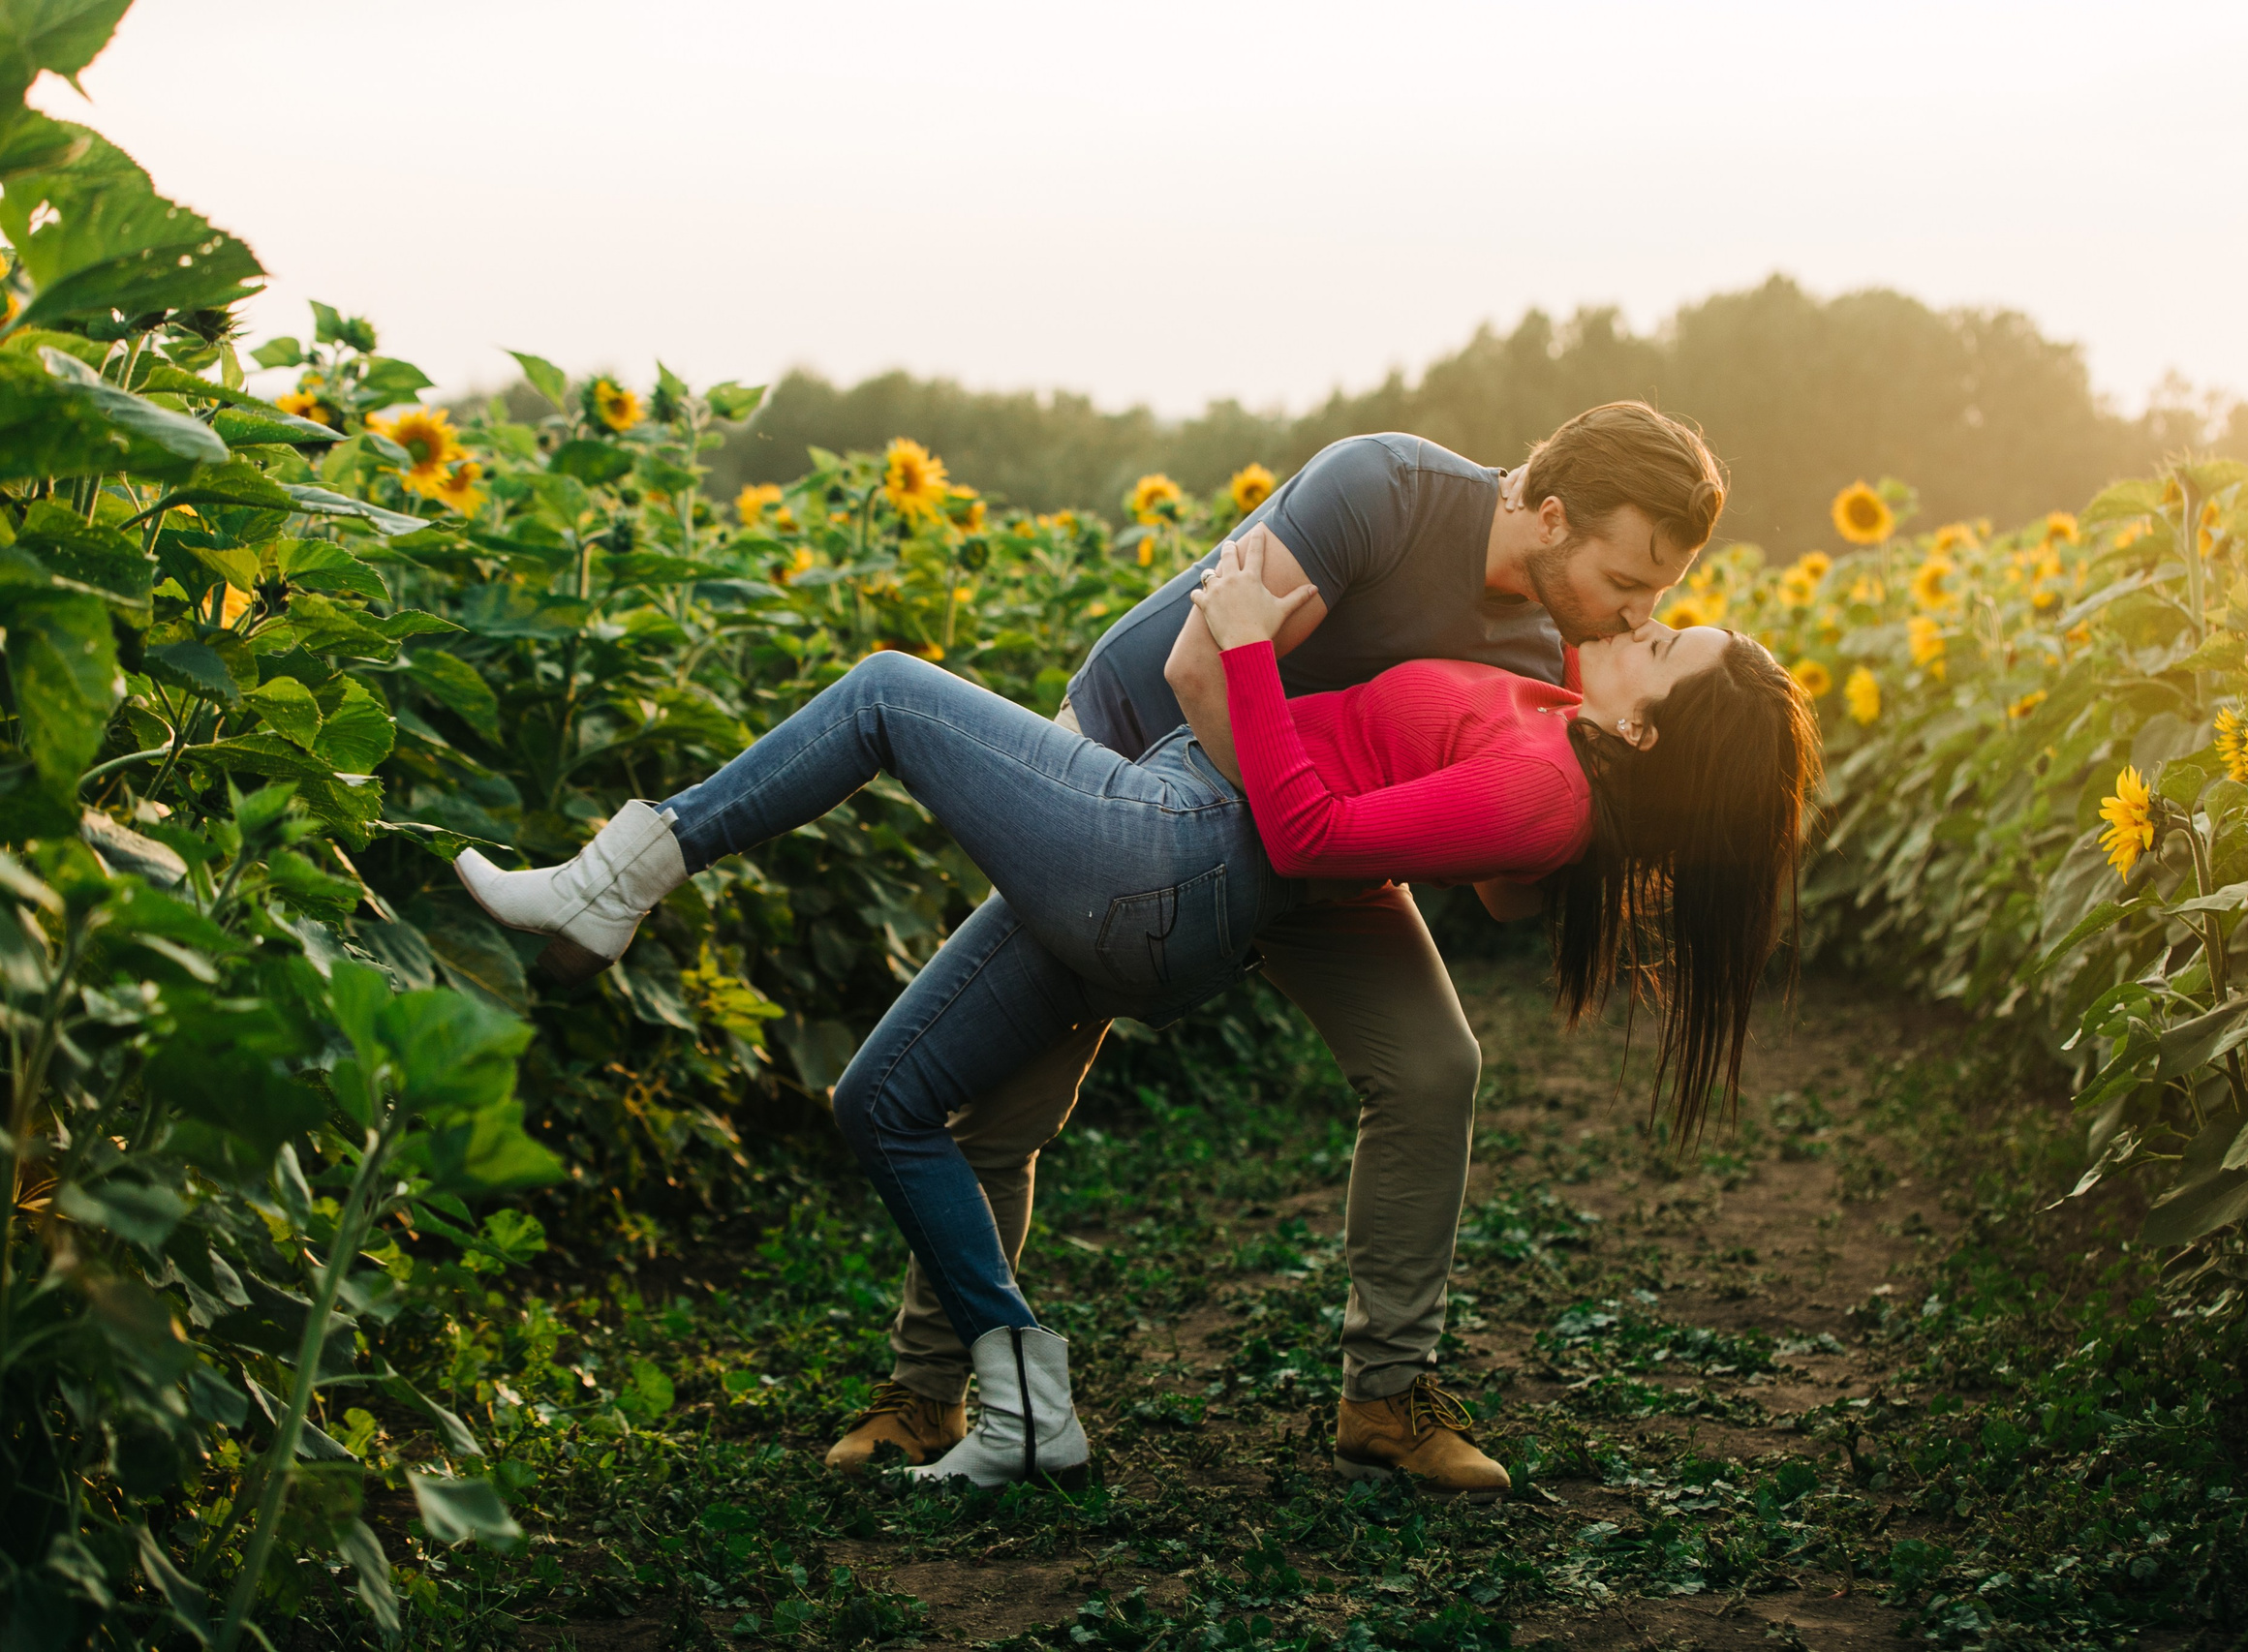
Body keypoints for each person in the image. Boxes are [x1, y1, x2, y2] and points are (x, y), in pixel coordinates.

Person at [454, 533, 1822, 1495]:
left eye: (1660, 638)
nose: (1638, 620)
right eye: (1649, 599)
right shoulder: (1530, 676)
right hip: (1180, 842)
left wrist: (1240, 649)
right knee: (880, 1099)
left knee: (880, 689)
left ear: (1650, 738)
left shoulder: (1555, 769)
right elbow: (1493, 852)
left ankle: (620, 871)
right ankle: (1007, 1385)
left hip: (1178, 844)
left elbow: (1308, 825)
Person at [828, 404, 1724, 1494]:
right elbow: (1197, 666)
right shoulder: (1382, 489)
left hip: (1312, 834)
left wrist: (1608, 821)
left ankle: (1385, 1396)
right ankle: (928, 1386)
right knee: (1008, 1101)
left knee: (1434, 1065)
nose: (1638, 611)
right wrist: (1281, 842)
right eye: (1633, 580)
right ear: (1551, 517)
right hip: (1140, 772)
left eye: (1659, 597)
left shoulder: (1548, 645)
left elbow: (1499, 887)